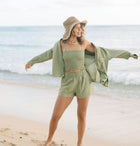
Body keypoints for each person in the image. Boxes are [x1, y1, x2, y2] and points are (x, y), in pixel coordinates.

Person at [25, 16, 138, 146]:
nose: (80, 30)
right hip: (68, 82)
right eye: (78, 27)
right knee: (56, 115)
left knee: (81, 115)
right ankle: (49, 140)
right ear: (71, 29)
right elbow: (47, 54)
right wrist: (31, 61)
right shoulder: (60, 44)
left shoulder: (83, 43)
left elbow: (104, 52)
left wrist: (126, 54)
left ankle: (79, 143)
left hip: (84, 81)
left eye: (81, 28)